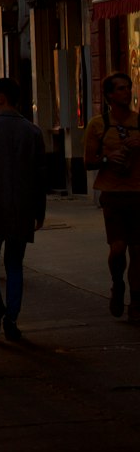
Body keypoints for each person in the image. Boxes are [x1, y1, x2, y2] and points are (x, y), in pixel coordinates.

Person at [0, 77, 46, 342]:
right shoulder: (32, 131)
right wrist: (40, 210)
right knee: (15, 263)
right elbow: (40, 175)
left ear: (1, 98)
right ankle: (11, 319)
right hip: (22, 208)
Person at [83, 71, 140, 320]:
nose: (126, 92)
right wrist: (107, 158)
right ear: (108, 95)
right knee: (118, 248)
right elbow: (88, 162)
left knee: (138, 251)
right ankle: (118, 284)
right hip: (113, 195)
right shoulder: (98, 124)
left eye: (127, 87)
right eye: (120, 88)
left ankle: (136, 302)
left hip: (138, 194)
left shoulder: (139, 122)